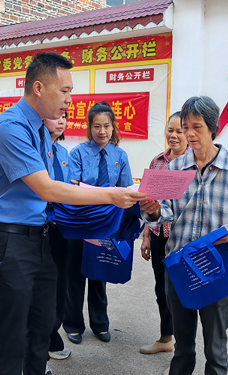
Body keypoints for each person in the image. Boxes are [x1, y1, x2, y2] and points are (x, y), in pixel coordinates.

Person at [0, 52, 146, 375]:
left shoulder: (41, 133)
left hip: (40, 241)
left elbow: (66, 189)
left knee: (42, 329)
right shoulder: (11, 127)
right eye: (64, 91)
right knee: (11, 339)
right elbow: (47, 189)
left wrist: (125, 202)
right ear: (39, 88)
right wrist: (111, 195)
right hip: (6, 245)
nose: (70, 99)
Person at [140, 96, 228, 375]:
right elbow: (165, 213)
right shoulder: (173, 168)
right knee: (183, 347)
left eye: (196, 127)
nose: (189, 135)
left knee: (215, 350)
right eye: (184, 128)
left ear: (213, 128)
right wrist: (153, 212)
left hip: (215, 268)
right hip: (179, 266)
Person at [63, 101, 134, 345]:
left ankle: (100, 324)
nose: (102, 131)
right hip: (79, 221)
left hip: (106, 224)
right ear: (89, 128)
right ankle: (72, 324)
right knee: (74, 275)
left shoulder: (119, 155)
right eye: (96, 126)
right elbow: (71, 187)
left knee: (99, 273)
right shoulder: (78, 153)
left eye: (106, 126)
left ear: (113, 127)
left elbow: (125, 189)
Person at [139, 111, 186, 355]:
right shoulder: (158, 161)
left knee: (179, 292)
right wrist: (146, 235)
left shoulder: (194, 162)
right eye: (170, 130)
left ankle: (182, 350)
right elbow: (150, 201)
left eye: (179, 131)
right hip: (159, 234)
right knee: (161, 289)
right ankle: (166, 338)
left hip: (184, 239)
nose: (174, 135)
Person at [43, 113, 79, 372]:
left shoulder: (64, 152)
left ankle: (51, 333)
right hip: (40, 227)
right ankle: (42, 342)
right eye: (54, 117)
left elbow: (68, 188)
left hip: (63, 228)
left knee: (60, 284)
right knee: (42, 289)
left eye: (64, 117)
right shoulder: (36, 150)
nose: (61, 121)